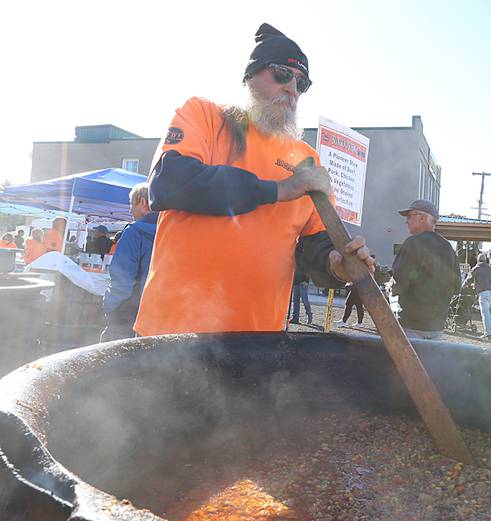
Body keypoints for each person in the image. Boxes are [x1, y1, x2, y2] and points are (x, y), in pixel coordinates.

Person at [134, 23, 373, 336]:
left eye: (302, 83)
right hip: (172, 332)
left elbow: (314, 243)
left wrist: (336, 264)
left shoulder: (307, 161)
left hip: (260, 341)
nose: (292, 89)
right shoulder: (204, 116)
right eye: (282, 74)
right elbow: (169, 183)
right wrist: (277, 190)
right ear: (251, 75)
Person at [391, 199, 461, 339]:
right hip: (437, 329)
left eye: (409, 216)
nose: (406, 221)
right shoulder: (448, 247)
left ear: (422, 218)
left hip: (411, 326)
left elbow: (399, 283)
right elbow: (457, 286)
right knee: (430, 362)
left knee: (407, 361)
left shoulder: (412, 243)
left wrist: (388, 288)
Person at [101, 183, 159, 341]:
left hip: (129, 312)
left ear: (142, 202)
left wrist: (109, 305)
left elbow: (122, 277)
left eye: (131, 205)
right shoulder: (173, 232)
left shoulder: (134, 231)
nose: (130, 211)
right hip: (161, 314)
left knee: (114, 361)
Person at [465, 252, 491, 338]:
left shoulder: (477, 268)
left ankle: (487, 332)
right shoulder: (490, 268)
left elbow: (469, 279)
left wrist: (464, 285)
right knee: (487, 312)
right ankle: (490, 329)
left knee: (484, 313)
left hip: (484, 293)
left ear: (478, 260)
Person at [289, 246, 313, 325]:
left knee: (304, 300)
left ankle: (309, 315)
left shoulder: (306, 254)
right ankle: (295, 318)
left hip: (303, 281)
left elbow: (308, 268)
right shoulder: (295, 254)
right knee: (295, 300)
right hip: (296, 280)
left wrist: (306, 280)